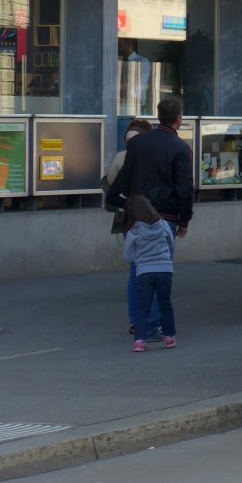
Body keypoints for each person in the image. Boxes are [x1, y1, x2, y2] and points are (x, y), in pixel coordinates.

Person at [107, 96, 194, 240]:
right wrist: (184, 222)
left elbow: (122, 182)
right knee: (160, 260)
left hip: (136, 217)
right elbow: (185, 190)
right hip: (165, 218)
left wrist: (132, 205)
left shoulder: (136, 143)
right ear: (179, 119)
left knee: (136, 261)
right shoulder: (181, 148)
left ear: (159, 117)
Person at [105, 118, 156, 337]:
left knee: (136, 271)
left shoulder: (121, 158)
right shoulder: (155, 159)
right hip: (150, 218)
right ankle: (150, 321)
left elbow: (110, 185)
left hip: (130, 219)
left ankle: (136, 320)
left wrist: (128, 204)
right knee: (153, 270)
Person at [122, 194, 177, 352]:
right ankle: (169, 337)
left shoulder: (134, 231)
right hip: (165, 270)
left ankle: (140, 340)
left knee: (143, 306)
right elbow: (170, 244)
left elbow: (127, 256)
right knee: (165, 304)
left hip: (144, 272)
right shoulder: (163, 225)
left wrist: (139, 258)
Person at [118, 38, 151, 114]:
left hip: (135, 103)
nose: (118, 48)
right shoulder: (118, 61)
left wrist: (129, 96)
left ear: (128, 45)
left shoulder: (142, 62)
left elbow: (142, 83)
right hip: (120, 101)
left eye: (120, 45)